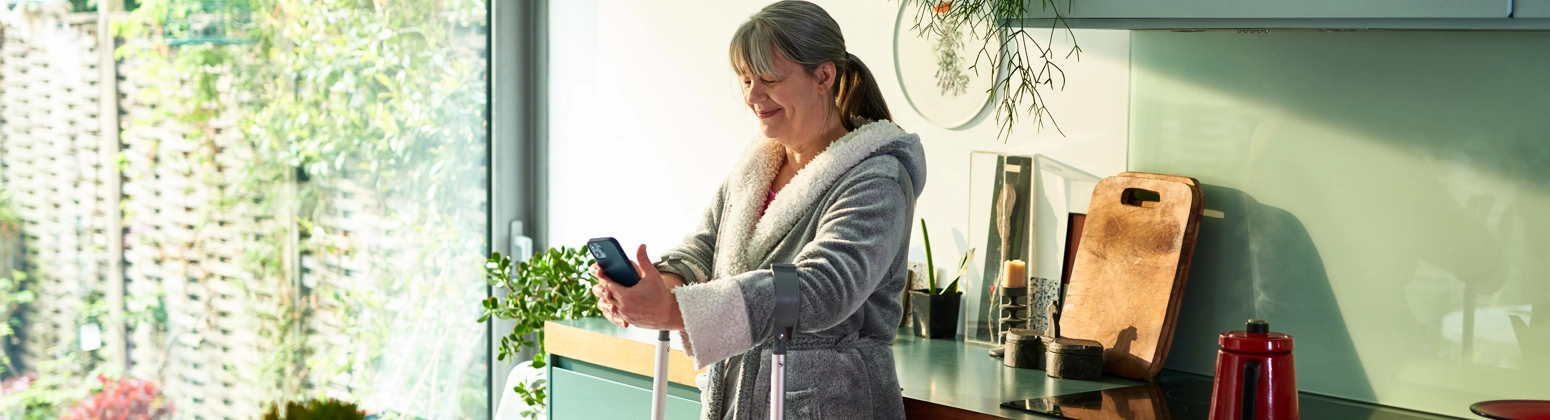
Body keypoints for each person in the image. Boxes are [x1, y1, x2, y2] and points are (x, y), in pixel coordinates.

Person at [591, 1, 925, 418]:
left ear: (823, 76)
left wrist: (677, 309)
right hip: (738, 397)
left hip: (829, 404)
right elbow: (707, 248)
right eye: (746, 79)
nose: (752, 95)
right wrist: (655, 284)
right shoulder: (757, 166)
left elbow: (823, 287)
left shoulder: (877, 179)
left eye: (768, 78)